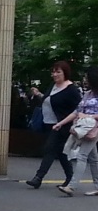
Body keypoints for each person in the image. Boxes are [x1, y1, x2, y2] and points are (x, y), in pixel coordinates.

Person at [26, 60, 81, 190]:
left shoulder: (71, 90)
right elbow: (48, 100)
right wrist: (39, 94)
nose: (55, 74)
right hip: (49, 123)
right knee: (61, 152)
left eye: (58, 72)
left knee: (49, 149)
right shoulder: (53, 86)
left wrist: (71, 123)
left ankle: (38, 178)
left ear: (65, 73)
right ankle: (69, 177)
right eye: (53, 72)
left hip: (62, 125)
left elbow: (79, 108)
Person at [53, 65, 98, 196]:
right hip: (83, 128)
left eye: (87, 77)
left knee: (82, 156)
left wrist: (89, 116)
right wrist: (60, 123)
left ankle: (72, 186)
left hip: (93, 129)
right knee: (93, 158)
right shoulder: (88, 94)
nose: (85, 79)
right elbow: (76, 112)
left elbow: (81, 114)